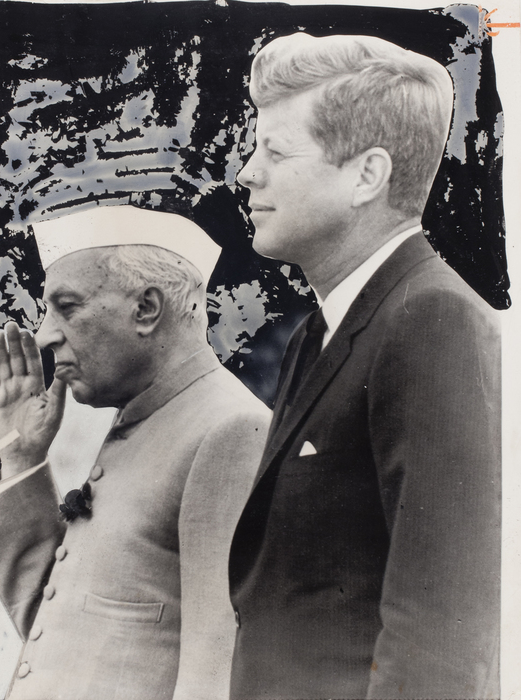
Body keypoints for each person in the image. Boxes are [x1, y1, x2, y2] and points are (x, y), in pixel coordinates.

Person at [228, 33, 501, 699]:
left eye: (275, 152)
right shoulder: (323, 330)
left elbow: (441, 636)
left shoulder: (433, 320)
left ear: (367, 176)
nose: (247, 174)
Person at [0, 205, 271, 700]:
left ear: (146, 308)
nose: (44, 335)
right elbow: (64, 630)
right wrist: (21, 458)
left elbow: (217, 675)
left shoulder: (230, 431)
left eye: (67, 307)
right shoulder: (144, 417)